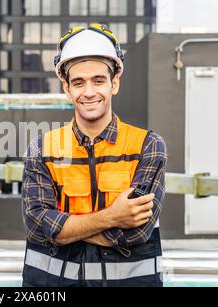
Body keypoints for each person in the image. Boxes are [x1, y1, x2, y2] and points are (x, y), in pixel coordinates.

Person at [21, 24, 167, 287]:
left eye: (98, 80)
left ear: (115, 83)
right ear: (67, 88)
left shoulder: (147, 145)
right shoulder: (42, 150)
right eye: (78, 82)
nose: (89, 92)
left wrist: (64, 230)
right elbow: (37, 227)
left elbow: (137, 231)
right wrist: (113, 216)